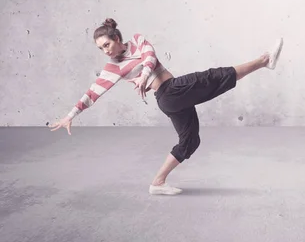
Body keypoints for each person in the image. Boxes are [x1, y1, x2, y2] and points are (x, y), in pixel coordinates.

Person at [48, 18, 284, 195]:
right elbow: (92, 93)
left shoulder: (138, 41)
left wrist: (143, 76)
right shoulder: (112, 68)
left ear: (117, 38)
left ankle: (157, 183)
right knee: (212, 77)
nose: (105, 51)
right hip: (169, 93)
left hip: (171, 95)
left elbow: (150, 56)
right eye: (100, 48)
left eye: (107, 44)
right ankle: (264, 61)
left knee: (191, 141)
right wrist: (71, 115)